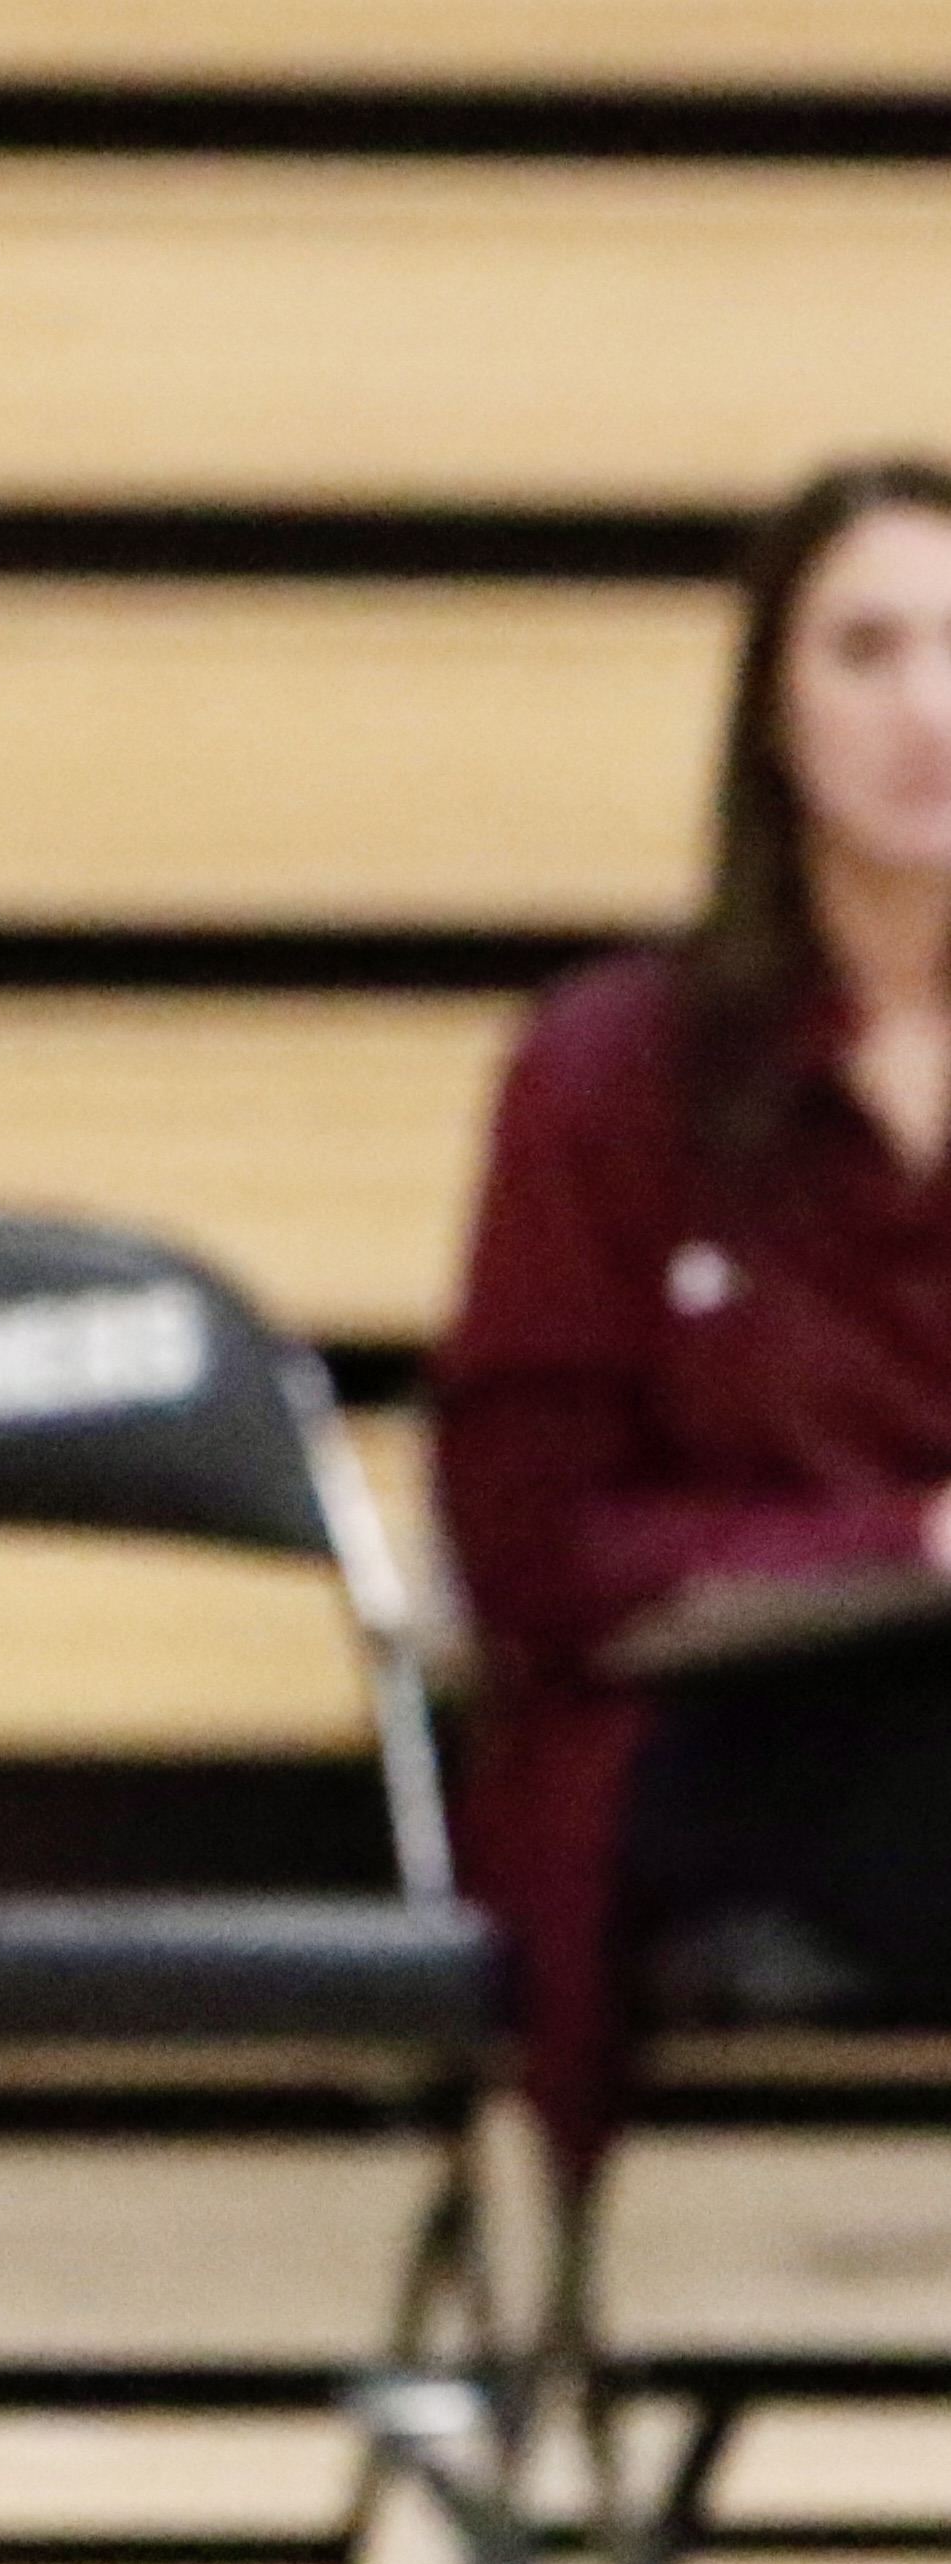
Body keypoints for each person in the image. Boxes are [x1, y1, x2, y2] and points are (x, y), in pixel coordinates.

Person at [437, 452, 951, 2182]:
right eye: (866, 651)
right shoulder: (610, 1073)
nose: (929, 709)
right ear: (772, 712)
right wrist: (905, 1544)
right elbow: (525, 1550)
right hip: (718, 1740)